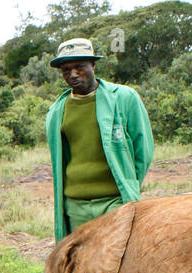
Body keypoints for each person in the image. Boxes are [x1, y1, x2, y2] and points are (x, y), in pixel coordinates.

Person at [45, 38, 153, 242]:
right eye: (66, 69)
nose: (73, 74)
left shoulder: (124, 98)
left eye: (79, 67)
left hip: (114, 202)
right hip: (75, 206)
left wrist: (128, 184)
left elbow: (143, 149)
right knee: (82, 267)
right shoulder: (57, 111)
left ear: (93, 65)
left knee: (117, 262)